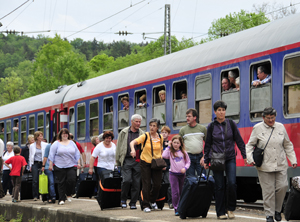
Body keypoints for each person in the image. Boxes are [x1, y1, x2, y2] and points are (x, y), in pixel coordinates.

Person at [246, 107, 297, 222]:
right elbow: (249, 145)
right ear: (263, 118)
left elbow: (287, 144)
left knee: (283, 187)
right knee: (268, 191)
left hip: (281, 163)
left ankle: (277, 210)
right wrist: (250, 159)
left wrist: (293, 160)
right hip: (265, 165)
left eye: (272, 118)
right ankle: (269, 215)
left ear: (275, 116)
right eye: (268, 118)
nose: (271, 120)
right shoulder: (257, 128)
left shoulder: (280, 127)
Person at [204, 100, 247, 220]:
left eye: (223, 110)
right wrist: (206, 160)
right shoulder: (211, 126)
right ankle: (220, 212)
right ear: (215, 112)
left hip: (230, 157)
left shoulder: (231, 124)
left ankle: (230, 209)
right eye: (219, 110)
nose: (221, 112)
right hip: (216, 159)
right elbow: (207, 145)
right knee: (219, 186)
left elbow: (239, 140)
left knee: (232, 183)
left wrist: (244, 155)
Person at [130, 118, 163, 213]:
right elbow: (132, 142)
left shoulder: (160, 137)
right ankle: (145, 205)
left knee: (157, 184)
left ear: (157, 127)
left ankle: (152, 200)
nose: (152, 128)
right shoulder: (145, 136)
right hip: (145, 162)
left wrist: (161, 160)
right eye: (150, 125)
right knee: (146, 184)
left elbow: (160, 150)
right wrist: (132, 150)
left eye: (154, 126)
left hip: (156, 163)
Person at [116, 114, 144, 209]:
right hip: (126, 159)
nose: (138, 123)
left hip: (138, 160)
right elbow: (119, 147)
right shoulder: (123, 132)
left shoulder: (142, 133)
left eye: (139, 122)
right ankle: (123, 199)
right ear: (131, 122)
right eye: (136, 121)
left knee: (136, 183)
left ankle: (133, 202)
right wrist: (118, 161)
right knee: (126, 180)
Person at [48, 128, 81, 205]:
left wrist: (78, 163)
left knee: (72, 179)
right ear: (60, 135)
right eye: (63, 134)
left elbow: (77, 153)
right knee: (61, 182)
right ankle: (61, 199)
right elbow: (51, 155)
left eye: (66, 134)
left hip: (71, 164)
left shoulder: (72, 143)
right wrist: (50, 165)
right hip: (59, 165)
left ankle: (68, 193)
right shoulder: (56, 143)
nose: (65, 135)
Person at [162, 135, 190, 216]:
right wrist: (168, 146)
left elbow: (188, 162)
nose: (176, 144)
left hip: (181, 175)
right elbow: (164, 155)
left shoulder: (184, 153)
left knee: (181, 191)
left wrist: (185, 168)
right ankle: (176, 208)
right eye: (174, 142)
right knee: (175, 192)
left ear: (180, 144)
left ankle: (181, 207)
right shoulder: (170, 152)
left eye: (177, 143)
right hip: (173, 174)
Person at [179, 108, 207, 177]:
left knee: (203, 179)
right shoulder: (183, 130)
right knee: (190, 180)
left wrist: (204, 157)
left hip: (200, 157)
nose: (187, 118)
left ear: (195, 117)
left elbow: (208, 144)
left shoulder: (202, 129)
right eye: (186, 116)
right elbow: (179, 145)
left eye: (189, 116)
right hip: (188, 157)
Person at [29, 131, 48, 201]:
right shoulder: (32, 146)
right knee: (35, 180)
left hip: (43, 163)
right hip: (35, 163)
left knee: (44, 179)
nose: (42, 137)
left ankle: (44, 195)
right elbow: (30, 156)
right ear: (37, 137)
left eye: (42, 136)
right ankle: (35, 196)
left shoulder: (45, 145)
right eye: (40, 136)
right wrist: (30, 165)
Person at [41, 136, 57, 203]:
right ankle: (52, 197)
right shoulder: (49, 146)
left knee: (54, 182)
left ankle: (54, 196)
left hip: (57, 166)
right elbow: (45, 156)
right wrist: (43, 166)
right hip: (48, 167)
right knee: (51, 182)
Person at [161, 125, 173, 209]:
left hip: (168, 167)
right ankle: (159, 201)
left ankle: (171, 202)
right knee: (158, 185)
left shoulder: (171, 144)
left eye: (166, 132)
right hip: (159, 167)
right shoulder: (158, 143)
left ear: (169, 134)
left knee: (169, 184)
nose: (164, 134)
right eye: (162, 132)